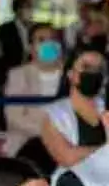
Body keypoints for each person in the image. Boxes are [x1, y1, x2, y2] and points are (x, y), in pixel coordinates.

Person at [4, 24, 66, 167]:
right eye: (41, 40)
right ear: (31, 47)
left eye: (52, 39)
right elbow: (14, 118)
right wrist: (49, 133)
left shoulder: (73, 74)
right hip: (29, 140)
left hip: (69, 141)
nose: (48, 44)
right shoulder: (18, 75)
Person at [40, 41, 108, 171]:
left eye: (99, 69)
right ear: (70, 73)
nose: (93, 72)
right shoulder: (54, 114)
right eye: (86, 67)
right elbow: (68, 157)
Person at [0, 0, 35, 70]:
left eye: (31, 7)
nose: (30, 10)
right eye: (26, 7)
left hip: (35, 67)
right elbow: (4, 54)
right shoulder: (5, 29)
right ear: (17, 10)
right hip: (14, 67)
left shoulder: (37, 28)